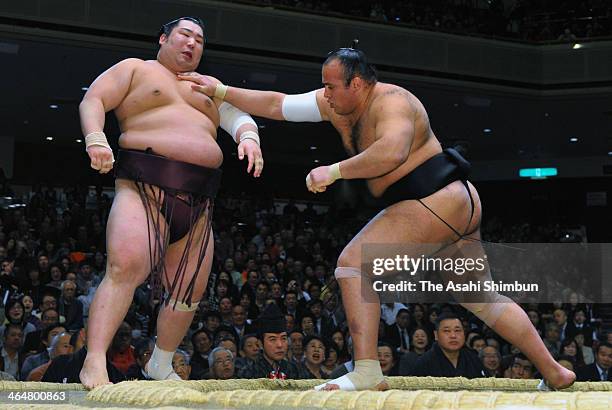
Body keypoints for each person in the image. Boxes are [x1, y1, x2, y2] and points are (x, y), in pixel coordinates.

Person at [180, 46, 575, 390]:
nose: (326, 93)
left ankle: (367, 369)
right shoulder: (335, 104)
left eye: (332, 86)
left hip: (437, 198)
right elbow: (278, 104)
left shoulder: (394, 102)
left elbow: (392, 152)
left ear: (358, 84)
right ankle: (553, 369)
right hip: (449, 204)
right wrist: (221, 90)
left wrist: (333, 171)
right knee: (481, 298)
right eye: (325, 85)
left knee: (354, 265)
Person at [78, 16, 263, 388]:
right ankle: (94, 360)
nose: (193, 43)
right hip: (145, 184)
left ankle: (160, 363)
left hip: (199, 199)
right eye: (185, 34)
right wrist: (96, 137)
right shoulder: (137, 70)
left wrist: (249, 138)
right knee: (126, 267)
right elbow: (94, 98)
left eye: (200, 39)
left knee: (190, 288)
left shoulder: (207, 89)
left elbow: (240, 116)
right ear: (164, 38)